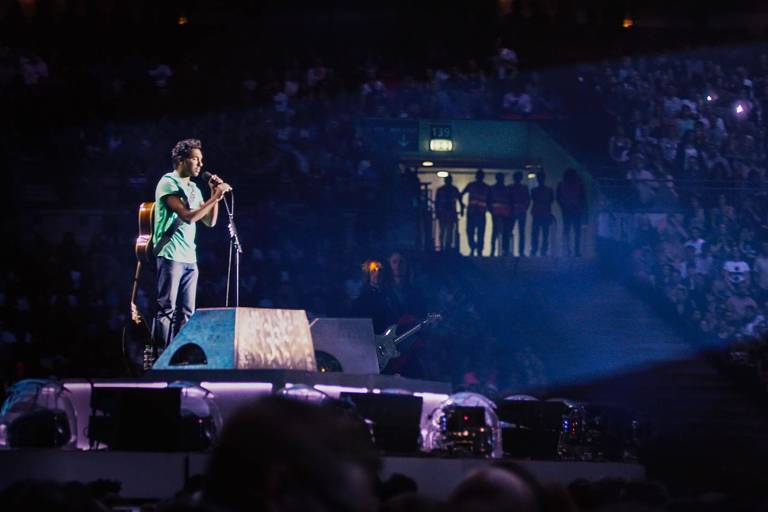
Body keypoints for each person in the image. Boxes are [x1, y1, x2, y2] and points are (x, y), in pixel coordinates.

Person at [152, 139, 231, 348]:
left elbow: (209, 221)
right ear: (181, 160)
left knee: (187, 311)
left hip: (189, 258)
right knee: (167, 308)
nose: (200, 164)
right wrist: (215, 197)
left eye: (201, 160)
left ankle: (179, 356)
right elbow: (187, 216)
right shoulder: (168, 182)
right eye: (195, 159)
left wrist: (214, 196)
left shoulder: (195, 189)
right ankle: (160, 357)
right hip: (170, 254)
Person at [556, 168, 587, 257]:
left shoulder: (562, 185)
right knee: (574, 231)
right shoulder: (578, 185)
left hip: (569, 211)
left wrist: (565, 205)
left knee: (568, 231)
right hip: (574, 210)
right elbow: (583, 199)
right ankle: (573, 251)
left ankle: (568, 250)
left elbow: (558, 198)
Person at [461, 169, 491, 256]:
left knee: (480, 233)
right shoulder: (472, 185)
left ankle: (479, 250)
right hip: (472, 212)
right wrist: (462, 206)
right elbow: (461, 194)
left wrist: (488, 208)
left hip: (480, 212)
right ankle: (473, 247)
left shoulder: (486, 187)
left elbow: (489, 200)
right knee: (470, 231)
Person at [434, 174, 463, 252]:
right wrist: (437, 212)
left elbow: (460, 200)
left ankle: (446, 247)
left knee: (448, 231)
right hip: (445, 213)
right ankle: (444, 247)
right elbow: (436, 202)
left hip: (449, 213)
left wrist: (462, 209)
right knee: (444, 230)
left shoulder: (452, 189)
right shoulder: (443, 190)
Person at [530, 170, 554, 257]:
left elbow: (535, 200)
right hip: (542, 213)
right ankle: (540, 251)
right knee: (542, 234)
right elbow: (550, 202)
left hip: (540, 213)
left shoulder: (534, 190)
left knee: (539, 234)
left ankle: (536, 250)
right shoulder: (548, 190)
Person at [488, 172, 512, 257]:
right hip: (496, 213)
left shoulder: (507, 189)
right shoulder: (493, 189)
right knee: (495, 232)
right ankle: (493, 250)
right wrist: (491, 210)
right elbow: (489, 201)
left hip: (505, 214)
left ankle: (504, 250)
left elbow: (510, 201)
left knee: (505, 233)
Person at [508, 171, 530, 257]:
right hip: (514, 212)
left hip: (519, 212)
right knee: (511, 232)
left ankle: (518, 251)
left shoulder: (523, 188)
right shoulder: (512, 188)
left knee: (520, 232)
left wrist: (524, 209)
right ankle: (509, 251)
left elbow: (527, 200)